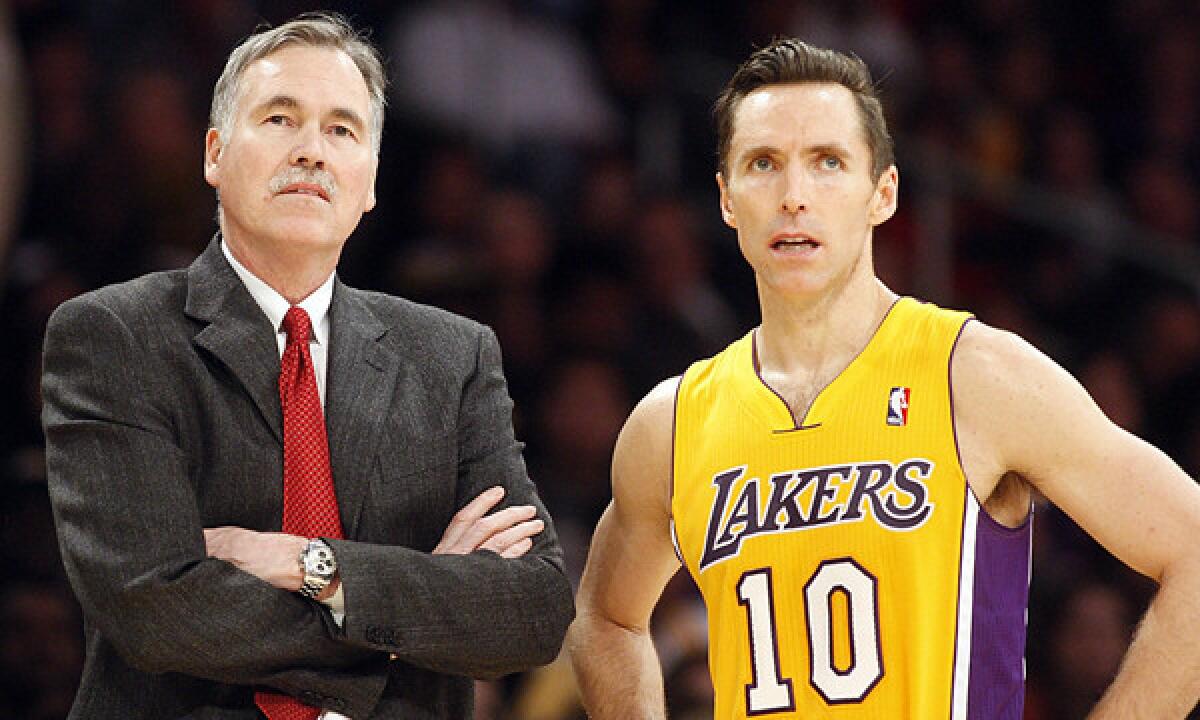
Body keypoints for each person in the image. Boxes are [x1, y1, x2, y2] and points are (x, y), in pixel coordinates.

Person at [568, 38, 1200, 719]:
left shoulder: (976, 375)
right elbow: (605, 622)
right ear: (726, 199)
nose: (793, 197)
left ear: (884, 192)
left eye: (828, 163)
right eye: (763, 165)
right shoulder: (673, 422)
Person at [41, 14, 573, 720]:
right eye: (281, 119)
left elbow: (534, 611)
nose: (312, 152)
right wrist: (414, 608)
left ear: (371, 182)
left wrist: (311, 565)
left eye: (342, 130)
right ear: (215, 154)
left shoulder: (453, 358)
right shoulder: (115, 336)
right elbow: (153, 607)